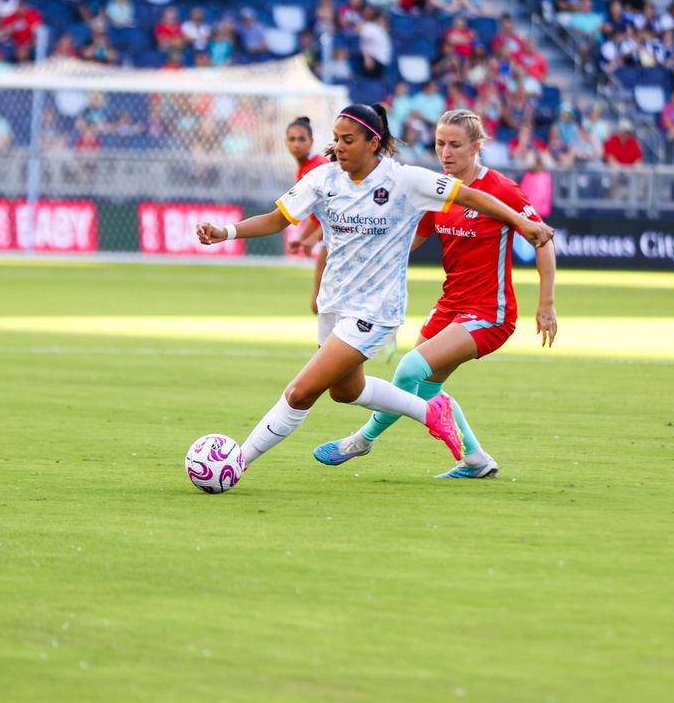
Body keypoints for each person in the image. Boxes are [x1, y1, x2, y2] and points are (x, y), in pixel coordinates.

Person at [195, 103, 554, 474]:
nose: (340, 146)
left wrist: (518, 222)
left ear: (373, 142)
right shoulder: (323, 179)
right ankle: (433, 413)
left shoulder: (406, 180)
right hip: (336, 304)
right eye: (336, 139)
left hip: (375, 311)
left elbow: (470, 195)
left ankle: (235, 463)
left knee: (302, 392)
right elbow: (276, 219)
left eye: (348, 140)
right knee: (344, 391)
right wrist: (227, 232)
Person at [313, 109, 557, 479]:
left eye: (455, 145)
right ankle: (475, 460)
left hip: (490, 312)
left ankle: (361, 441)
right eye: (440, 143)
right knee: (425, 389)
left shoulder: (501, 191)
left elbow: (542, 239)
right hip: (449, 306)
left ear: (477, 147)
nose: (446, 152)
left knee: (410, 368)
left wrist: (546, 304)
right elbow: (401, 245)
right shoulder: (438, 191)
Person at [283, 116, 329, 314]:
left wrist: (311, 238)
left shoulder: (318, 167)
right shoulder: (304, 169)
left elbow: (332, 212)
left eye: (301, 139)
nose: (296, 144)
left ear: (311, 141)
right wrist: (302, 239)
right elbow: (316, 214)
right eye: (291, 139)